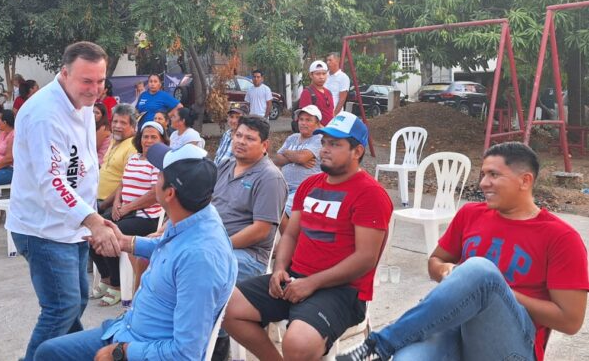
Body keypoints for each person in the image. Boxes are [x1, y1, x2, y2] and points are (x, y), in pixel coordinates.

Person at [338, 142, 589, 361]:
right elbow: (436, 261)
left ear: (525, 180)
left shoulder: (561, 237)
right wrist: (447, 271)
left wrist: (492, 290)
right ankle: (382, 348)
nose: (483, 183)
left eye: (494, 175)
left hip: (511, 348)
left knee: (480, 271)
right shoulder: (471, 214)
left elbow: (570, 321)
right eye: (483, 174)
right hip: (454, 329)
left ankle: (379, 344)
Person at [35, 143, 236, 361]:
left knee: (49, 353)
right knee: (49, 351)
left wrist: (122, 352)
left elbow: (186, 354)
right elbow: (173, 250)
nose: (155, 179)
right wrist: (126, 242)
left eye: (159, 174)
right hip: (128, 328)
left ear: (169, 193)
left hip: (142, 345)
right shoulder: (199, 215)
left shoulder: (200, 259)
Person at [223, 111, 392, 360]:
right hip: (295, 278)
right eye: (324, 142)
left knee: (298, 344)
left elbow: (365, 258)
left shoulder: (370, 194)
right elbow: (290, 235)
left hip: (341, 290)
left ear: (357, 151)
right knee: (226, 308)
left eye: (335, 144)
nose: (324, 150)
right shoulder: (310, 185)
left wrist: (312, 283)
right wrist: (280, 269)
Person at [4, 42, 120, 361]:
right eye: (87, 81)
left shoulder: (81, 103)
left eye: (100, 81)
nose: (95, 89)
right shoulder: (45, 114)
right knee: (61, 307)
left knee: (75, 301)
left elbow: (81, 165)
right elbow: (52, 182)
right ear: (65, 73)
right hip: (44, 228)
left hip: (73, 225)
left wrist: (91, 217)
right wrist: (93, 220)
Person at [210, 115, 288, 358]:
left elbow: (261, 230)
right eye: (239, 135)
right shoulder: (225, 166)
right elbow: (203, 205)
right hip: (213, 245)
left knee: (203, 270)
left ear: (265, 146)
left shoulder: (269, 177)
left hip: (247, 256)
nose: (241, 141)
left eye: (250, 138)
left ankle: (217, 346)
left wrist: (220, 245)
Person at [89, 121, 168, 307]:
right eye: (146, 137)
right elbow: (122, 183)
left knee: (112, 234)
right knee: (94, 228)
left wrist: (128, 207)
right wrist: (117, 203)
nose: (148, 141)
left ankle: (117, 284)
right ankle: (106, 276)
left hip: (146, 217)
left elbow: (154, 194)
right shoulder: (134, 158)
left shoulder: (159, 162)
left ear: (162, 140)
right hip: (125, 211)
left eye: (154, 137)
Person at [272, 104, 323, 232]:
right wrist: (296, 158)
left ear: (317, 123)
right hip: (283, 187)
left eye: (308, 120)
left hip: (304, 190)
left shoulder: (319, 139)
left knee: (279, 209)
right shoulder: (292, 138)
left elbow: (301, 158)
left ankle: (288, 241)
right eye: (301, 119)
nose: (303, 123)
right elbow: (276, 159)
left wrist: (288, 154)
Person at [97, 104, 138, 212]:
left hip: (110, 206)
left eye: (123, 123)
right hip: (97, 200)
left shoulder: (133, 147)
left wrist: (103, 206)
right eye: (115, 121)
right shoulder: (114, 139)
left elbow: (127, 182)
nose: (117, 126)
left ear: (133, 126)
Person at [299, 60, 334, 125]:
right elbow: (306, 117)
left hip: (329, 129)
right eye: (318, 74)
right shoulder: (307, 93)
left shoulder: (328, 92)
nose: (321, 77)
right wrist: (322, 129)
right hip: (317, 130)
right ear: (311, 75)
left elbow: (331, 113)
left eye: (324, 74)